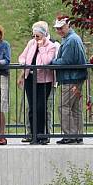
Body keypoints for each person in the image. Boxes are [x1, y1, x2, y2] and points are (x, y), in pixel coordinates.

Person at [18, 22, 57, 145]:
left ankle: (42, 135)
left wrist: (41, 47)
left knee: (41, 108)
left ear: (44, 35)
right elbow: (22, 56)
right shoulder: (31, 43)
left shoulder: (51, 46)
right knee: (32, 107)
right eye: (34, 36)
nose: (35, 38)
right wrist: (23, 63)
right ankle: (33, 134)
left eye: (38, 36)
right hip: (30, 78)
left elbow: (45, 62)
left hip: (44, 80)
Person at [51, 17, 87, 145]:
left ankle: (70, 135)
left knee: (64, 106)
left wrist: (52, 62)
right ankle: (77, 135)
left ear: (68, 25)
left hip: (70, 78)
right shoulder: (72, 38)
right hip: (76, 77)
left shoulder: (71, 40)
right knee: (75, 108)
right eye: (57, 28)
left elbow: (66, 61)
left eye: (61, 28)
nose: (59, 30)